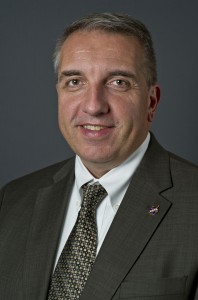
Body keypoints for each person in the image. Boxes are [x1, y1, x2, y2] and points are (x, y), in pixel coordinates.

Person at [0, 12, 198, 300]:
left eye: (118, 82)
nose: (93, 106)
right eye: (75, 82)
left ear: (151, 103)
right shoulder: (12, 201)